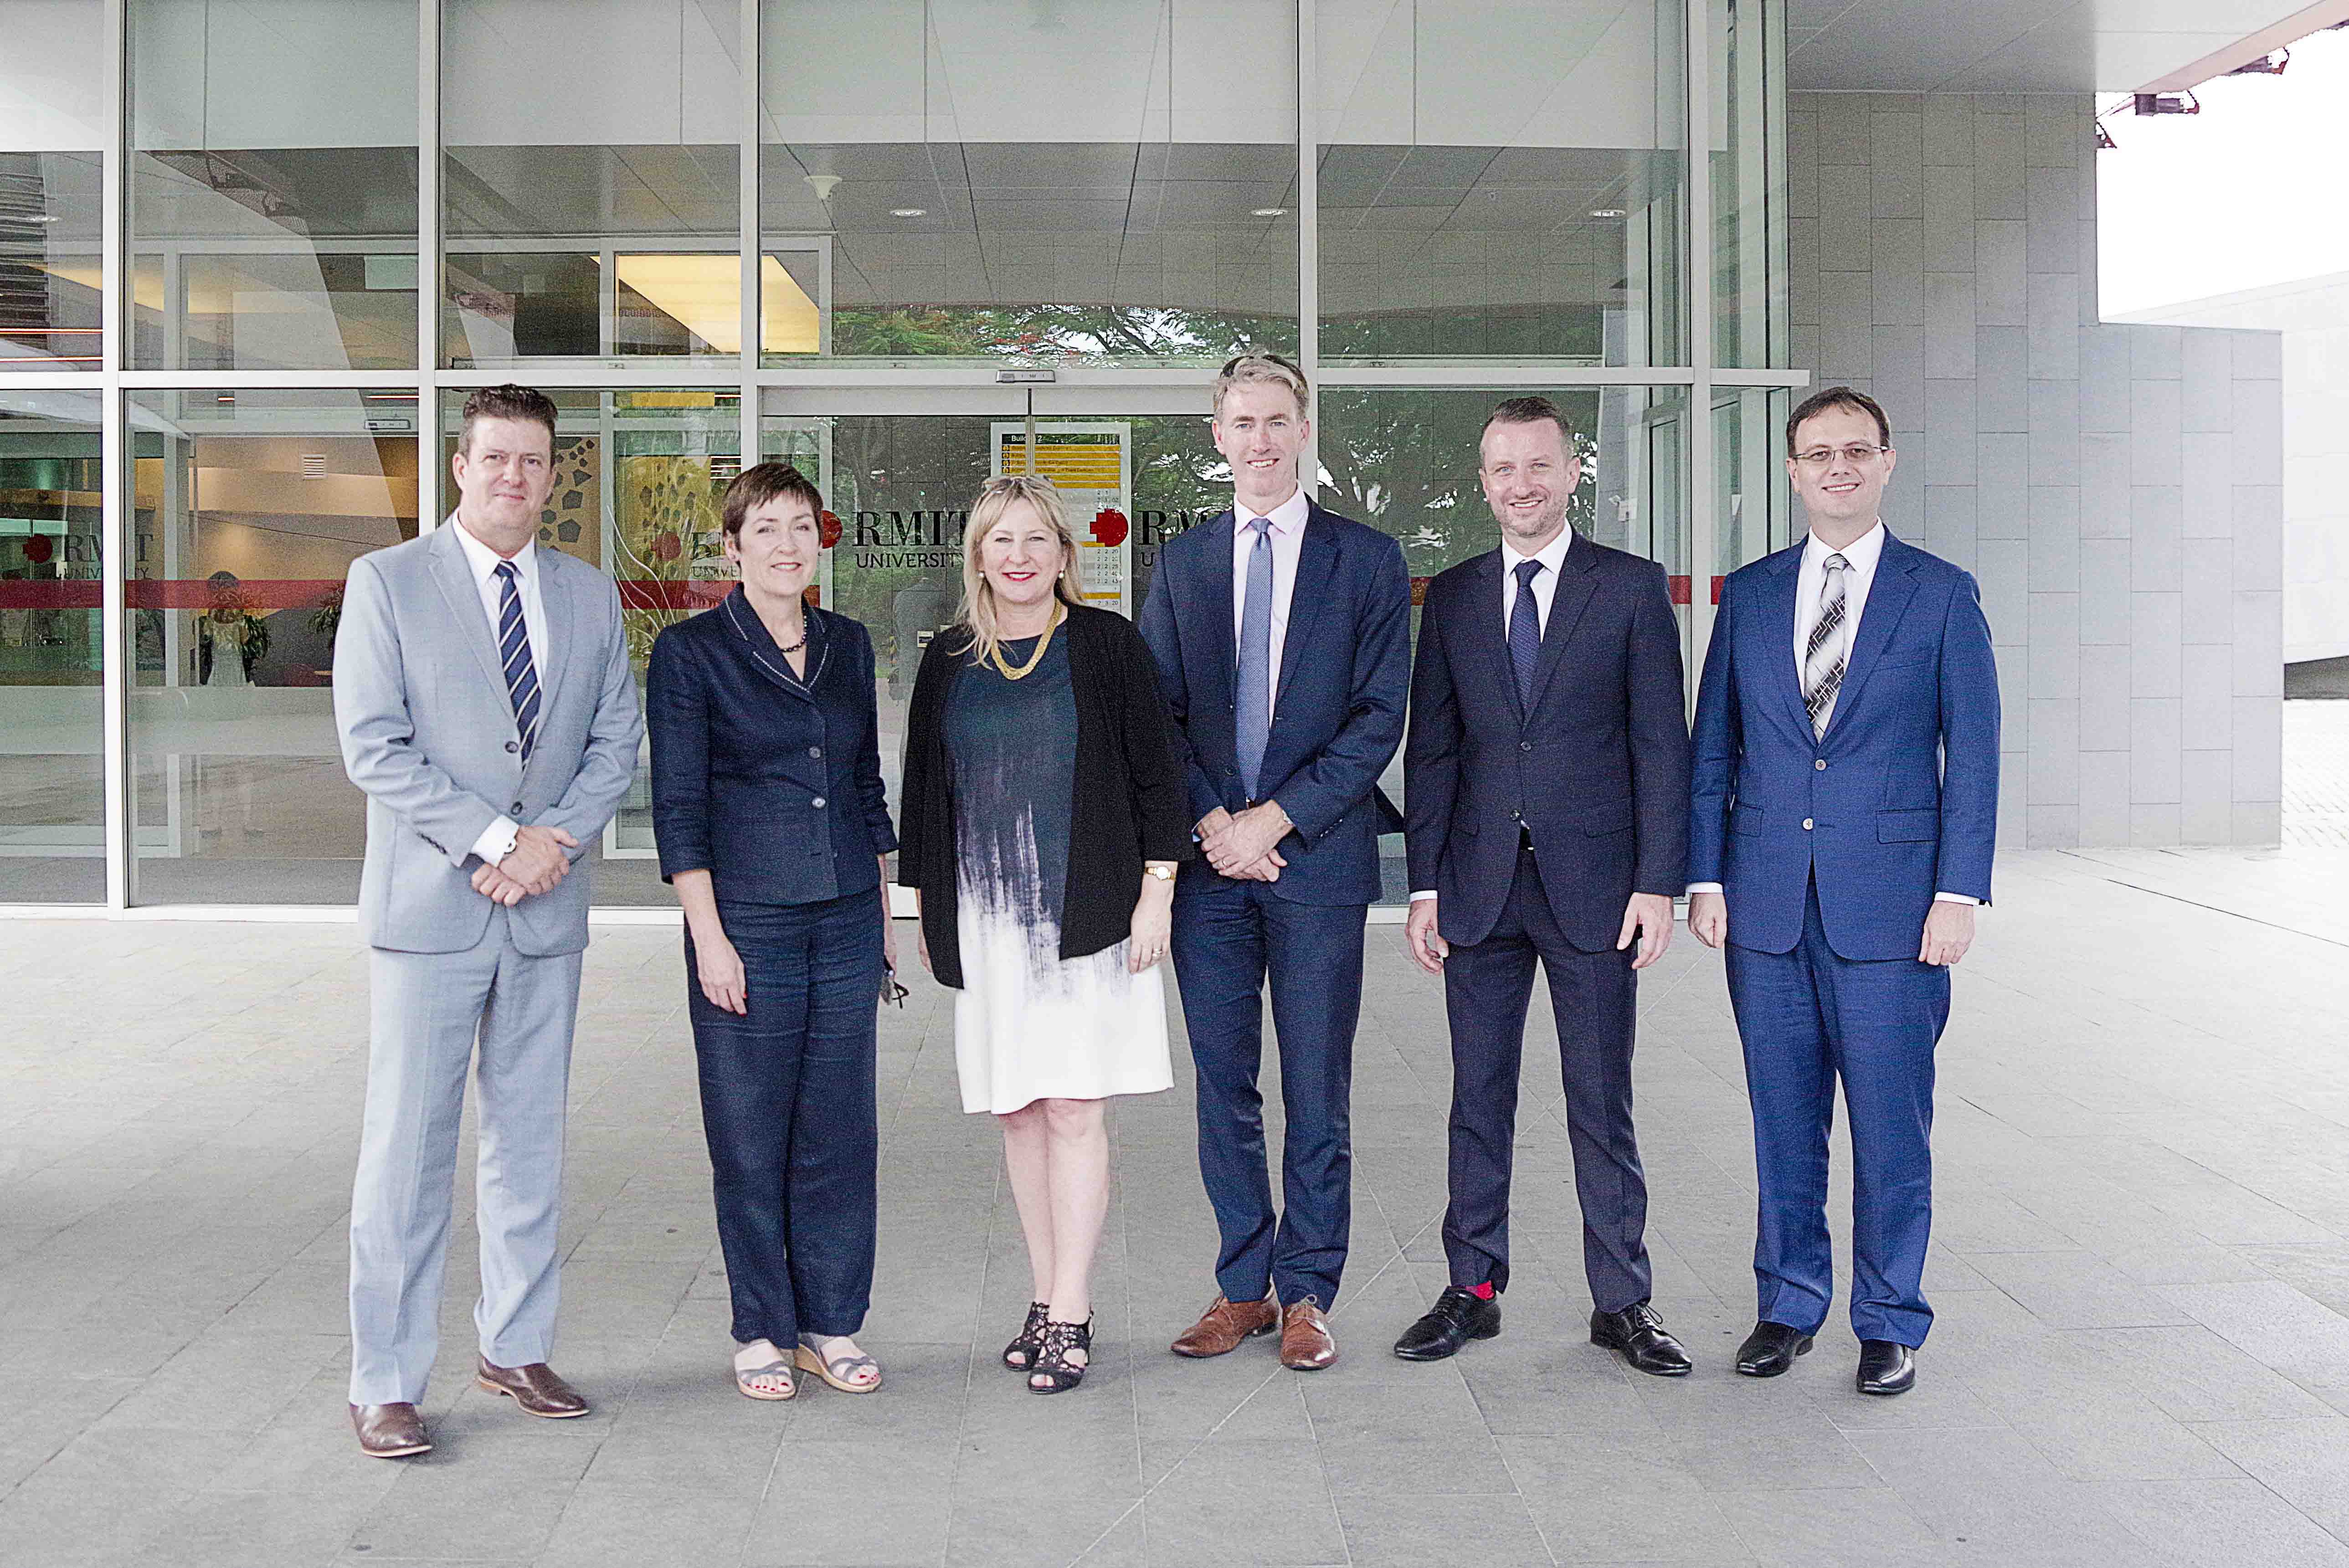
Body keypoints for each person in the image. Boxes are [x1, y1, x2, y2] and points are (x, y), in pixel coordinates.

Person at [333, 384, 643, 1458]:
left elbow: (616, 739)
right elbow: (374, 745)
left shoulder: (589, 595)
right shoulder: (388, 582)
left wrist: (551, 842)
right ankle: (385, 1380)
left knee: (529, 1140)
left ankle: (515, 1345)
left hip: (545, 912)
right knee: (407, 1151)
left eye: (533, 460)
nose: (515, 475)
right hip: (433, 912)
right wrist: (496, 840)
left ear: (553, 476)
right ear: (461, 466)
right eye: (496, 456)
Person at [1687, 386, 1999, 1397]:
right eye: (1818, 453)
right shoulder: (1752, 594)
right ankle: (1788, 1304)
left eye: (1856, 450)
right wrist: (1704, 873)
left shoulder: (1940, 593)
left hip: (1896, 913)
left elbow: (1975, 756)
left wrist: (1959, 892)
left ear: (1886, 461)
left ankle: (1889, 1317)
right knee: (1783, 1124)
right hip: (1766, 906)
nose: (1838, 467)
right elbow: (1714, 746)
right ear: (1792, 471)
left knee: (1891, 1129)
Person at [1396, 396, 1692, 1372]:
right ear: (1483, 484)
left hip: (1597, 889)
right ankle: (1473, 1289)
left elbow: (1661, 745)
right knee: (1477, 1097)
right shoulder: (1454, 595)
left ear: (1572, 473)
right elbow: (1433, 749)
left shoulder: (1631, 588)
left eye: (1537, 465)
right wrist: (1426, 884)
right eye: (1503, 469)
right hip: (1478, 885)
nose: (1520, 484)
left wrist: (1657, 882)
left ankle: (1623, 1300)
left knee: (1600, 1100)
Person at [1137, 352, 1412, 1372]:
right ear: (1218, 436)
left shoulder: (1366, 560)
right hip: (1211, 868)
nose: (1260, 439)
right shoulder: (1184, 563)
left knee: (1316, 1086)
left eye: (1276, 420)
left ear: (1304, 431)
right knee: (1225, 1085)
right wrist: (1218, 821)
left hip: (1318, 862)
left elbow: (1377, 715)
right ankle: (1243, 1286)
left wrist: (1276, 822)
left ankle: (1307, 1292)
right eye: (1242, 422)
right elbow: (1157, 712)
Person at [898, 474, 1190, 1394]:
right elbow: (923, 790)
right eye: (1001, 540)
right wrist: (923, 908)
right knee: (1018, 1109)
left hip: (1086, 913)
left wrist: (1158, 893)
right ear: (978, 556)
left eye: (1036, 539)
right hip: (986, 919)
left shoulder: (1106, 645)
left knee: (1073, 1106)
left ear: (1065, 553)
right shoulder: (948, 657)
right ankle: (1041, 1292)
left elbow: (1158, 775)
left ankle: (1072, 1306)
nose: (1019, 556)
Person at [647, 462, 897, 1403]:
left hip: (844, 912)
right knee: (751, 1130)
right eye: (766, 529)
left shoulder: (847, 642)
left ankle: (831, 1321)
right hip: (746, 919)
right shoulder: (692, 652)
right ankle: (761, 1326)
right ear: (732, 548)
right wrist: (708, 937)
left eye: (801, 526)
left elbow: (866, 785)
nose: (787, 545)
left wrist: (883, 915)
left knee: (840, 1129)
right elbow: (679, 806)